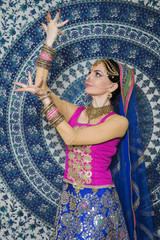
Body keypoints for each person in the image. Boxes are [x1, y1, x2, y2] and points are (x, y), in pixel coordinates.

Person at [12, 10, 154, 240]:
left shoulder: (118, 122)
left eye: (97, 74)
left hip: (98, 202)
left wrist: (47, 99)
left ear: (112, 86)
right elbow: (41, 85)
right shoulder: (76, 112)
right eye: (89, 72)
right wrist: (49, 40)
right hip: (70, 198)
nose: (88, 77)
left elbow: (72, 138)